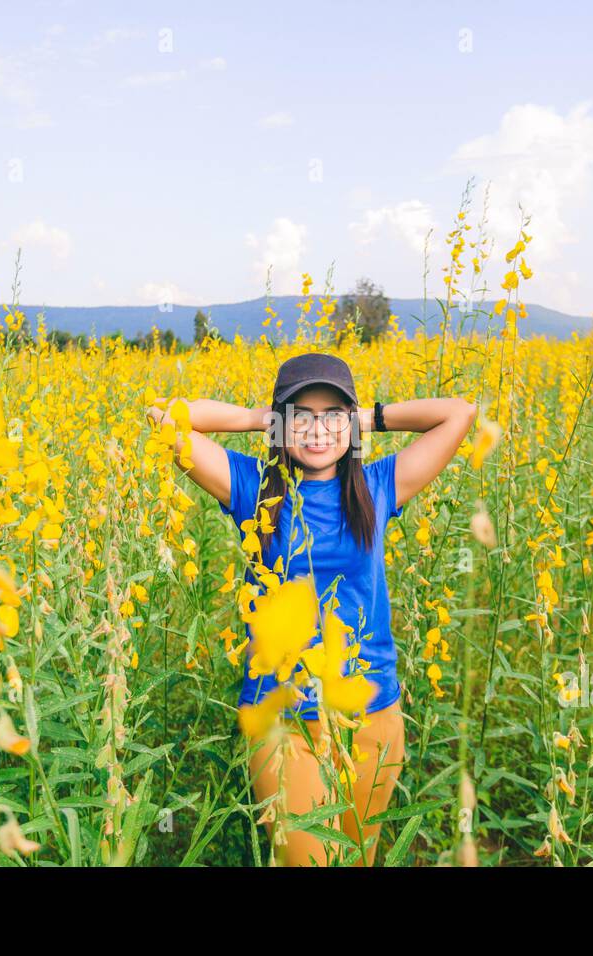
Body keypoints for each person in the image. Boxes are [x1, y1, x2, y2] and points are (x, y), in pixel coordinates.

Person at [147, 352, 476, 865]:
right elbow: (167, 420)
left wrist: (369, 418)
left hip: (372, 712)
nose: (318, 431)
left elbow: (459, 413)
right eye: (302, 416)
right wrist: (264, 419)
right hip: (284, 720)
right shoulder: (252, 487)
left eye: (332, 415)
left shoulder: (377, 485)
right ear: (281, 424)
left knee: (358, 856)